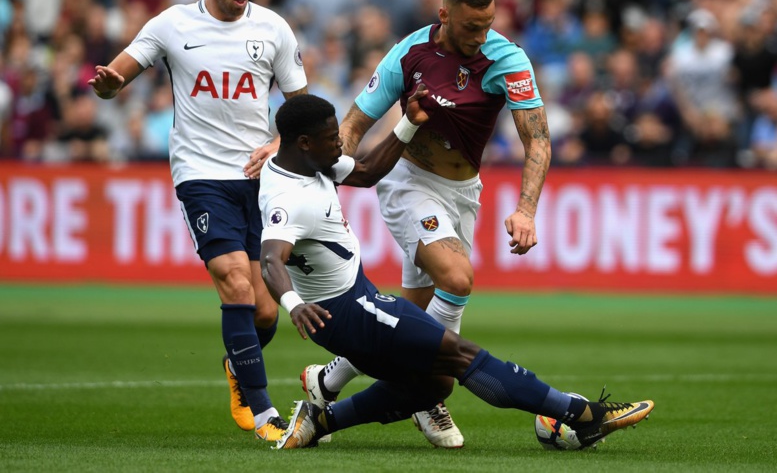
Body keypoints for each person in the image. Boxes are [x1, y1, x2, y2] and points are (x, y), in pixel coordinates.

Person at [257, 93, 654, 450]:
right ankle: (582, 414)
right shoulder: (290, 199)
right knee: (462, 356)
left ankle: (320, 420)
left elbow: (365, 171)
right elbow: (272, 258)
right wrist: (293, 304)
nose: (340, 143)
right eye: (332, 139)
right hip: (350, 311)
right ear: (304, 143)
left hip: (351, 302)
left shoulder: (306, 163)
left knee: (433, 385)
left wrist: (408, 122)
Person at [302, 0, 553, 448]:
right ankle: (426, 395)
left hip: (464, 192)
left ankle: (328, 380)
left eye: (487, 25)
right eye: (470, 27)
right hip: (408, 181)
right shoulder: (409, 53)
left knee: (410, 317)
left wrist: (526, 210)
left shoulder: (508, 59)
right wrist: (326, 179)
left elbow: (537, 138)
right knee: (456, 279)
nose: (480, 36)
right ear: (444, 15)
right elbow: (354, 124)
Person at [87, 0, 307, 442]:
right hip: (201, 175)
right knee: (234, 280)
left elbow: (301, 107)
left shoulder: (273, 28)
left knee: (265, 310)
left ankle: (236, 365)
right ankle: (264, 413)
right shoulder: (172, 24)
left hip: (259, 177)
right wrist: (109, 85)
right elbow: (118, 74)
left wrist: (278, 142)